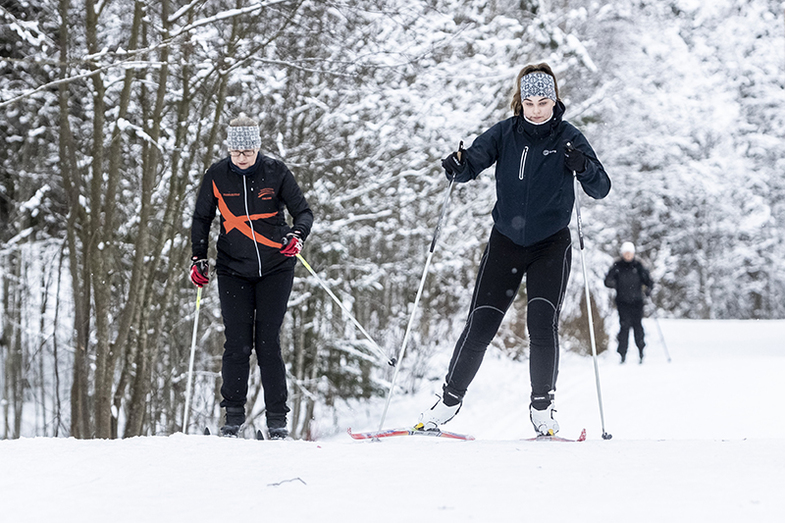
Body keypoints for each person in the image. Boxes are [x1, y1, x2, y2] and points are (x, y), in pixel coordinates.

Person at [417, 63, 611, 436]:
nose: (536, 109)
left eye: (543, 101)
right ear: (519, 103)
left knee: (541, 324)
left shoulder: (570, 138)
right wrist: (457, 165)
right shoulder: (505, 133)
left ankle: (543, 409)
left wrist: (582, 166)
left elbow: (601, 187)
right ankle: (446, 404)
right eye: (529, 102)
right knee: (481, 324)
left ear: (555, 101)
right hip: (506, 243)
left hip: (550, 245)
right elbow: (470, 163)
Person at [190, 115, 313, 438]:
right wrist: (198, 258)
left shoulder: (276, 172)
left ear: (257, 147)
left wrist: (297, 236)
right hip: (233, 269)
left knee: (268, 342)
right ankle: (232, 418)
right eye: (235, 152)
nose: (241, 158)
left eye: (247, 151)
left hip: (276, 267)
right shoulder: (217, 175)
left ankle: (277, 421)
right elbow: (201, 218)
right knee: (237, 343)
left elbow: (304, 212)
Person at [604, 241, 653, 364]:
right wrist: (614, 283)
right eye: (626, 253)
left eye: (630, 253)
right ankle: (622, 354)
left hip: (637, 302)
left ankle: (641, 351)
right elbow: (607, 281)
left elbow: (649, 281)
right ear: (622, 254)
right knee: (624, 327)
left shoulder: (639, 266)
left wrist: (648, 289)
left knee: (638, 327)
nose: (628, 256)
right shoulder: (617, 266)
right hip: (622, 302)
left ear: (633, 254)